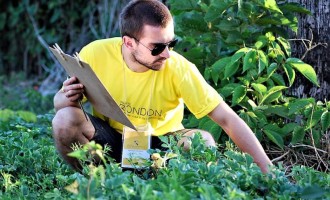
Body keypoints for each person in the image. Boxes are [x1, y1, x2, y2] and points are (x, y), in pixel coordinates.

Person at [52, 0, 272, 173]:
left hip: (162, 143)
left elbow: (227, 119)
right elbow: (62, 103)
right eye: (157, 48)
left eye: (171, 44)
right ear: (128, 43)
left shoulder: (179, 67)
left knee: (203, 141)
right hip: (112, 139)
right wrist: (65, 97)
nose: (167, 54)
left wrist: (268, 171)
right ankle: (99, 182)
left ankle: (167, 181)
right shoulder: (94, 53)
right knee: (63, 119)